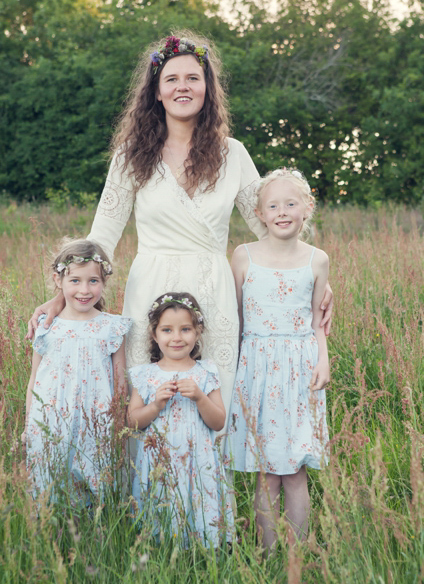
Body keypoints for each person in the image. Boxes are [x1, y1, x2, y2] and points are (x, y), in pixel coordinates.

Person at [28, 32, 332, 426]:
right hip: (151, 286)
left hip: (213, 291)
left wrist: (314, 279)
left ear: (208, 88)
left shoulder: (233, 154)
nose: (182, 87)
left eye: (193, 78)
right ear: (156, 91)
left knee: (211, 397)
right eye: (171, 79)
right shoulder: (131, 156)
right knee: (150, 397)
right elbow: (102, 236)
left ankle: (208, 485)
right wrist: (60, 298)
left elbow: (271, 228)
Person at [227, 168, 330, 549]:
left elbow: (319, 320)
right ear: (260, 213)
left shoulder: (317, 260)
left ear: (307, 208)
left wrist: (324, 358)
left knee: (296, 469)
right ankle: (269, 553)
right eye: (273, 205)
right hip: (256, 367)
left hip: (301, 368)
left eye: (291, 203)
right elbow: (233, 318)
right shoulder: (243, 256)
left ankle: (298, 552)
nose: (282, 211)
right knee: (266, 471)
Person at [23, 238, 133, 507]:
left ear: (104, 281)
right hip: (51, 418)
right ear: (58, 280)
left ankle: (95, 537)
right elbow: (34, 380)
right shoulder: (47, 326)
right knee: (49, 481)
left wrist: (118, 422)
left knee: (95, 481)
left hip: (95, 419)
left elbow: (120, 382)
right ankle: (52, 536)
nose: (84, 290)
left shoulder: (112, 327)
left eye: (93, 281)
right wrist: (28, 425)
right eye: (75, 281)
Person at [126, 292, 231, 546]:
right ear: (155, 335)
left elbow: (218, 422)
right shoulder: (145, 375)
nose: (176, 338)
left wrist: (199, 398)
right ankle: (161, 555)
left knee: (198, 508)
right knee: (161, 510)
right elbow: (132, 422)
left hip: (198, 461)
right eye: (167, 330)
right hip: (158, 462)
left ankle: (203, 554)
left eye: (185, 329)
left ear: (197, 332)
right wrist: (156, 404)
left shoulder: (205, 372)